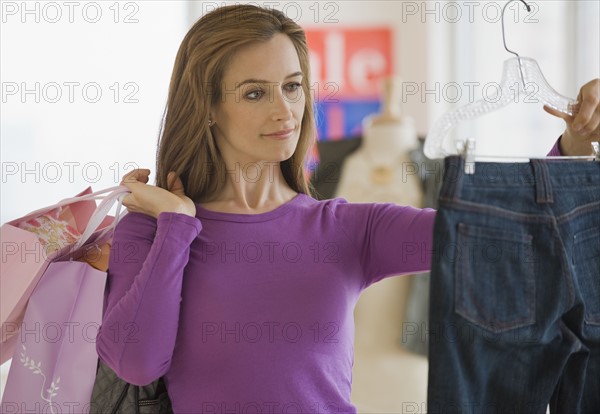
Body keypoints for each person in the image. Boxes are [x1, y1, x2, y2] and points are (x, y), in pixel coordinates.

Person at [96, 4, 600, 413]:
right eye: (255, 93)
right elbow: (137, 362)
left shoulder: (348, 229)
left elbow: (501, 233)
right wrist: (178, 226)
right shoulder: (153, 228)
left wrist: (573, 148)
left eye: (293, 87)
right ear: (206, 105)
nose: (285, 111)